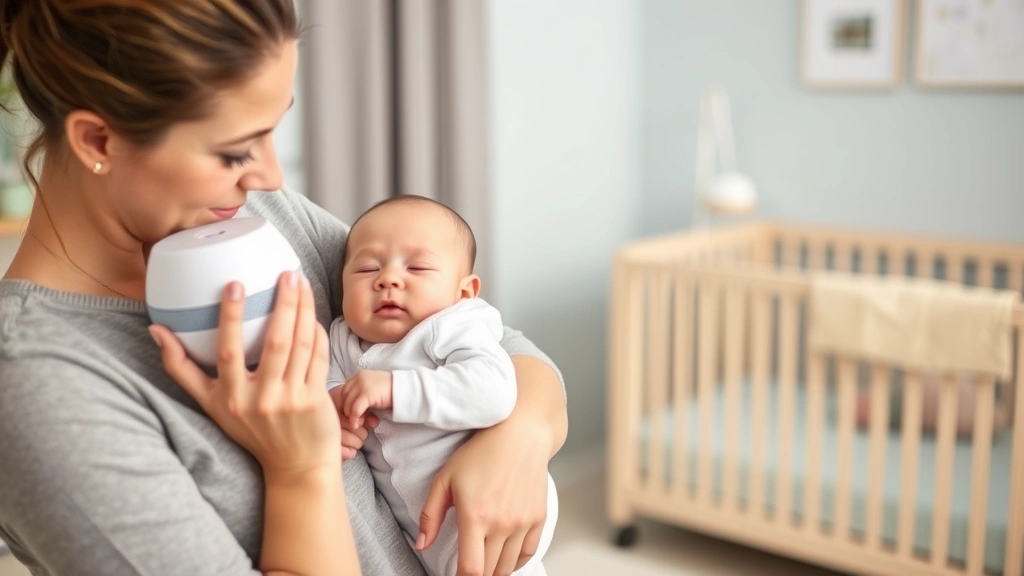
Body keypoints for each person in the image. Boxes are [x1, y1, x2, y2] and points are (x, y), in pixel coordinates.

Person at [0, 1, 568, 575]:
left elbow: (502, 345)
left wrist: (516, 440)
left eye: (273, 129)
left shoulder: (257, 218)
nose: (270, 176)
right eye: (234, 149)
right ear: (98, 141)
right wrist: (301, 467)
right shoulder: (35, 383)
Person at [327, 196, 558, 576]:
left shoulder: (453, 326)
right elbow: (327, 384)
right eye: (367, 269)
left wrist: (394, 389)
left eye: (416, 267)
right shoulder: (340, 337)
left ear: (463, 292)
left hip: (493, 507)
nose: (388, 278)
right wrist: (336, 404)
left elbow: (493, 391)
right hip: (428, 536)